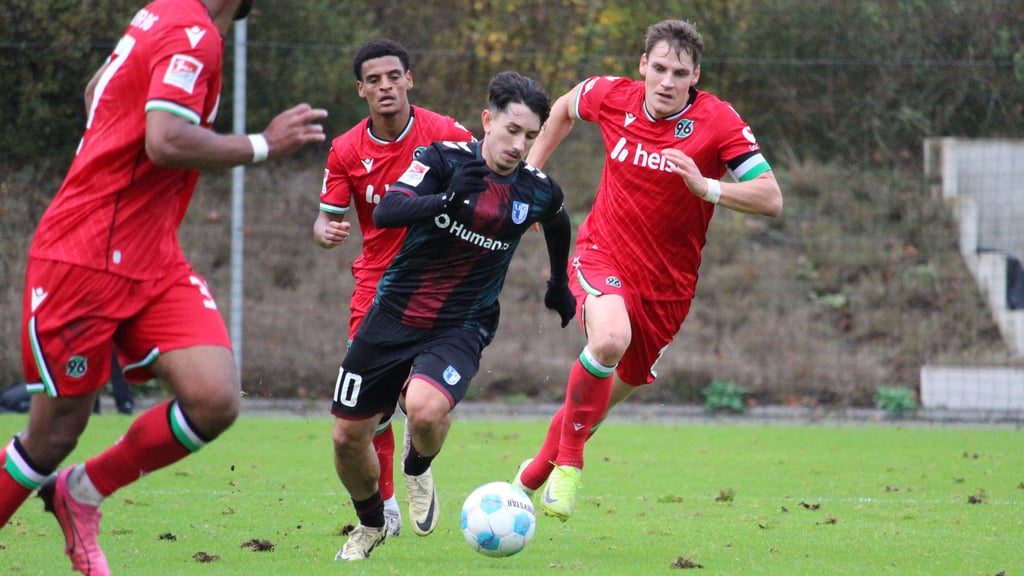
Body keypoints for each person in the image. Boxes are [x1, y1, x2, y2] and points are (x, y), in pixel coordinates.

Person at [0, 1, 327, 574]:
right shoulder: (190, 31)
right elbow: (165, 141)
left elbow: (99, 88)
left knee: (215, 397)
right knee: (53, 435)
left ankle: (80, 493)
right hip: (85, 259)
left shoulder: (165, 15)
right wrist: (263, 145)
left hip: (152, 258)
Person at [512, 19, 783, 522]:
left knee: (593, 409)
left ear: (694, 76)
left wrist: (708, 188)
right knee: (609, 340)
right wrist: (529, 176)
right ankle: (569, 467)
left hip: (668, 290)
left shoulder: (718, 122)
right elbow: (565, 108)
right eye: (657, 68)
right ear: (642, 66)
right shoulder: (614, 96)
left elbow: (770, 197)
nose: (666, 81)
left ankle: (525, 481)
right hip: (602, 253)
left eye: (679, 72)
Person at [330, 70, 576, 561]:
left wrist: (558, 283)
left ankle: (418, 466)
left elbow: (558, 219)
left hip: (463, 323)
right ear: (487, 120)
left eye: (530, 136)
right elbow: (388, 211)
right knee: (346, 437)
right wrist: (447, 199)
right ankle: (371, 523)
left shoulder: (536, 189)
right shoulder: (440, 160)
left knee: (424, 409)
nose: (518, 144)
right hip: (393, 313)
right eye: (511, 130)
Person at [313, 38, 475, 538]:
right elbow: (325, 221)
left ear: (409, 79)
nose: (385, 86)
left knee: (421, 406)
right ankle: (383, 502)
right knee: (371, 409)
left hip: (438, 286)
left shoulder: (445, 132)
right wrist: (327, 233)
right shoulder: (345, 149)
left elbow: (489, 176)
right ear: (361, 89)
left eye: (393, 76)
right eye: (374, 80)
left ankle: (419, 465)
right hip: (376, 290)